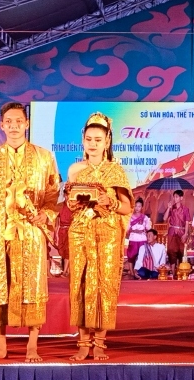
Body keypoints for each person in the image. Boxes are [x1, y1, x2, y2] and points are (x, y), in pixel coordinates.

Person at [0, 102, 60, 363]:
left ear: (27, 124)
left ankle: (32, 345)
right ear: (2, 124)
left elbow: (53, 195)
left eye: (19, 121)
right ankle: (0, 346)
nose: (14, 126)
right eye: (9, 121)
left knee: (32, 284)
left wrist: (46, 215)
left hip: (31, 233)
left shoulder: (44, 157)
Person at [65, 112, 133, 361]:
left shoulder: (116, 171)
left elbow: (127, 207)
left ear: (107, 142)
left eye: (98, 139)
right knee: (81, 284)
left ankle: (101, 342)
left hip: (107, 233)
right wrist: (74, 201)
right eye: (89, 139)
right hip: (81, 232)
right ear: (83, 141)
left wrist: (110, 202)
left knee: (105, 285)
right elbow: (69, 205)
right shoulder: (75, 170)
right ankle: (83, 343)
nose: (93, 144)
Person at [164, 190, 189, 269]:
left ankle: (180, 271)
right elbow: (164, 218)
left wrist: (185, 234)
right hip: (172, 231)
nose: (175, 198)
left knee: (180, 251)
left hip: (181, 232)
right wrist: (168, 208)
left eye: (177, 197)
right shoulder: (171, 208)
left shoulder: (185, 209)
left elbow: (187, 222)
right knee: (171, 251)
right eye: (174, 197)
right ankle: (173, 272)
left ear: (181, 198)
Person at [127, 198, 151, 264]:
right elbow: (127, 229)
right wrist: (134, 231)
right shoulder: (130, 217)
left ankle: (139, 272)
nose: (137, 208)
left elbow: (148, 228)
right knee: (131, 256)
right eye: (136, 206)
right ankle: (132, 272)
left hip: (142, 239)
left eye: (139, 206)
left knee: (142, 256)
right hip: (133, 238)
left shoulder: (145, 217)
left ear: (142, 207)